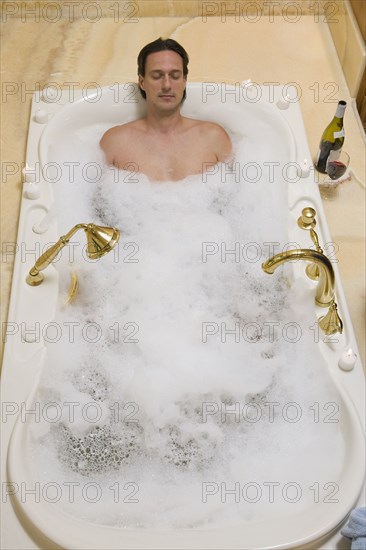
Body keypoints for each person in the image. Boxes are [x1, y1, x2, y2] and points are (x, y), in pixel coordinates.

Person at [100, 38, 232, 181]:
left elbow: (238, 195)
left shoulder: (213, 137)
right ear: (142, 82)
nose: (167, 85)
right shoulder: (115, 142)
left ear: (184, 81)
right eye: (157, 76)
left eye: (175, 76)